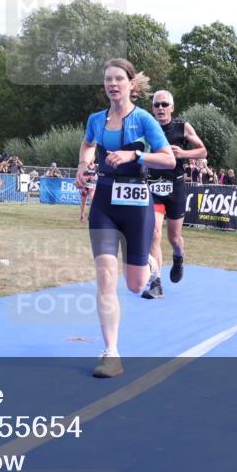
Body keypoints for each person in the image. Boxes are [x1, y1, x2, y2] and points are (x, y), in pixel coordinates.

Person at [74, 58, 175, 378]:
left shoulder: (144, 119)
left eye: (119, 78)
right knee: (105, 273)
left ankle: (152, 265)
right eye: (107, 79)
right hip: (104, 201)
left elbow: (168, 159)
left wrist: (135, 155)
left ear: (131, 84)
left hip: (136, 201)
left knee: (134, 285)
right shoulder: (95, 119)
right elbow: (88, 145)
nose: (113, 84)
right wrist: (82, 165)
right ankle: (111, 353)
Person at [142, 90, 207, 300]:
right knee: (153, 233)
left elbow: (203, 151)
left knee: (174, 238)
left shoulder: (182, 127)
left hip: (176, 187)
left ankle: (178, 257)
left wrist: (183, 154)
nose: (160, 108)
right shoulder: (147, 127)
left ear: (172, 107)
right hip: (153, 187)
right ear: (152, 108)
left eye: (164, 104)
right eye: (156, 105)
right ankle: (156, 282)